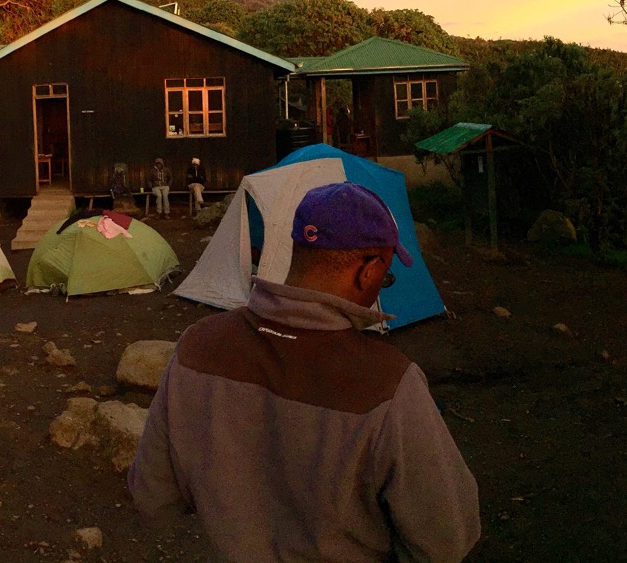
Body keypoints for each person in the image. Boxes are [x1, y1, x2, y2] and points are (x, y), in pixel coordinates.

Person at [128, 182, 480, 562]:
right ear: (368, 271)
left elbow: (152, 496)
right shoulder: (389, 383)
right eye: (387, 275)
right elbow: (448, 538)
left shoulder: (197, 347)